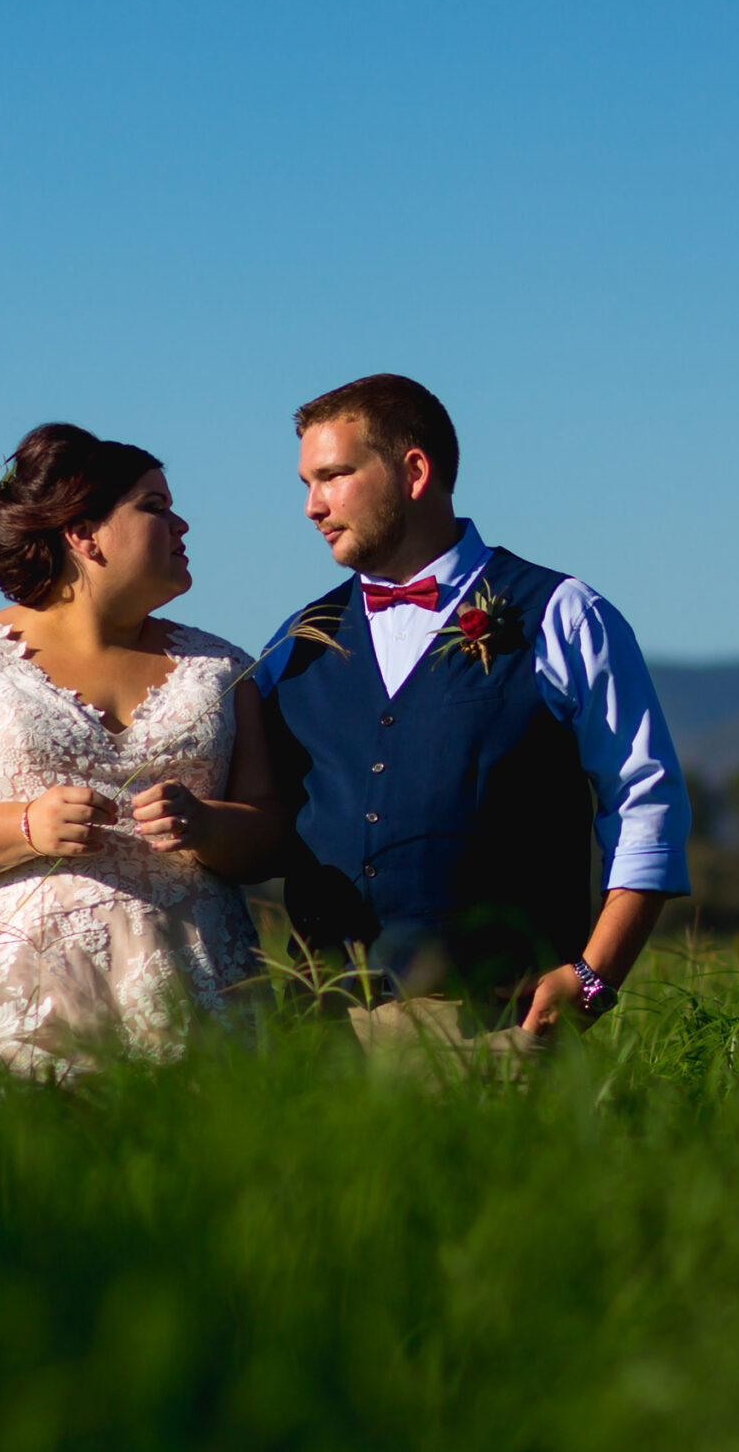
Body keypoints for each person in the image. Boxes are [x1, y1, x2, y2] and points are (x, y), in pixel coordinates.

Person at [254, 374, 690, 1038]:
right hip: (319, 1037)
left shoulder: (563, 614)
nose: (312, 506)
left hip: (498, 1028)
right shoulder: (296, 643)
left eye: (333, 476)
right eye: (306, 484)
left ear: (414, 472)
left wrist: (595, 977)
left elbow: (643, 803)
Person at [0, 423, 278, 1076]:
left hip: (198, 1004)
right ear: (82, 533)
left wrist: (207, 824)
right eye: (155, 507)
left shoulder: (223, 669)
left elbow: (273, 832)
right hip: (9, 1016)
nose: (182, 525)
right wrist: (25, 824)